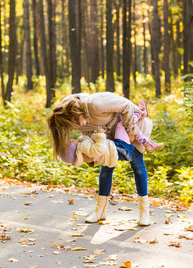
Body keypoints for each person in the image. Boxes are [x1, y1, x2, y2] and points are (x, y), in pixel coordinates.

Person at [47, 92, 164, 226]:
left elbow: (126, 106)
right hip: (111, 136)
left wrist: (131, 131)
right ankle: (100, 211)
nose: (74, 128)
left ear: (74, 115)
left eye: (72, 124)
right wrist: (91, 157)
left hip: (132, 126)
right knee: (106, 168)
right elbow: (88, 132)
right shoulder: (74, 115)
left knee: (137, 165)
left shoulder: (96, 103)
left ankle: (145, 213)